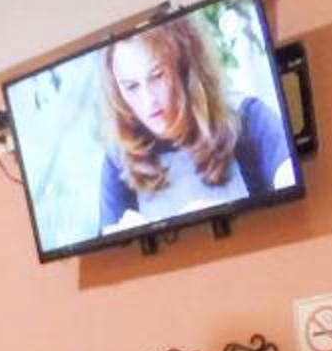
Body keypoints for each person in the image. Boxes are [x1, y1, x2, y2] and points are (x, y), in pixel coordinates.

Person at [94, 15, 297, 239]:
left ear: (184, 66)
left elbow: (293, 180)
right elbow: (111, 250)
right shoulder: (118, 158)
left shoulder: (248, 117)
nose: (148, 100)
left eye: (157, 76)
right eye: (131, 87)